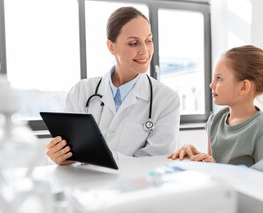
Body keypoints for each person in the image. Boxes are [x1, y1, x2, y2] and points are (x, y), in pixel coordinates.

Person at [46, 7, 180, 165]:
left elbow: (156, 162)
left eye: (148, 40)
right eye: (134, 43)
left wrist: (97, 156)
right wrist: (58, 156)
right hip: (85, 185)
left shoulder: (166, 99)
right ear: (111, 47)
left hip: (135, 188)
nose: (145, 51)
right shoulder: (81, 91)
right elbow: (67, 151)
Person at [168, 45, 263, 167]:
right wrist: (194, 154)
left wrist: (218, 168)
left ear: (244, 87)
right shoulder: (214, 121)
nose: (211, 85)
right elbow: (214, 165)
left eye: (218, 78)